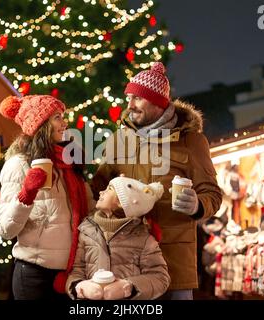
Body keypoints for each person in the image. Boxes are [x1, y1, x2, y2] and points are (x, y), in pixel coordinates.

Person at [91, 62, 222, 300]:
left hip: (173, 261)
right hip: (128, 262)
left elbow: (212, 193)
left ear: (158, 103)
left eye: (137, 99)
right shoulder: (119, 140)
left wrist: (197, 205)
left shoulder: (191, 141)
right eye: (128, 98)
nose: (129, 105)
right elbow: (96, 190)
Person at [0, 95, 94, 300]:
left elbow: (91, 212)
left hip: (72, 275)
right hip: (34, 276)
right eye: (57, 117)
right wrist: (26, 195)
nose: (64, 123)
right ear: (41, 125)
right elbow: (5, 229)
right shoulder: (19, 165)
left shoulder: (70, 162)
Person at [66, 176, 170, 300]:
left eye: (109, 189)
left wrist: (128, 287)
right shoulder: (86, 230)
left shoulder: (143, 238)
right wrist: (79, 286)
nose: (101, 192)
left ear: (121, 202)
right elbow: (78, 269)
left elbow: (160, 277)